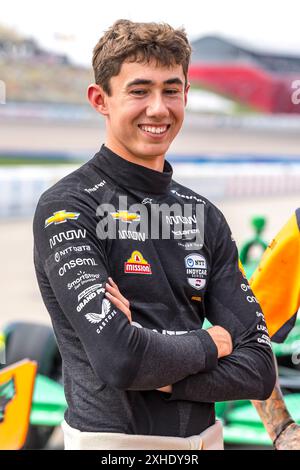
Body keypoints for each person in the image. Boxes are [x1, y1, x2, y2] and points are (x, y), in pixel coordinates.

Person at [33, 19, 276, 450]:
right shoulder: (68, 208)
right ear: (100, 99)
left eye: (171, 89)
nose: (159, 108)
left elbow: (258, 369)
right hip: (111, 446)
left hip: (205, 443)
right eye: (139, 90)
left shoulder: (205, 216)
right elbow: (122, 360)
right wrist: (211, 342)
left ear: (185, 94)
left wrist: (162, 375)